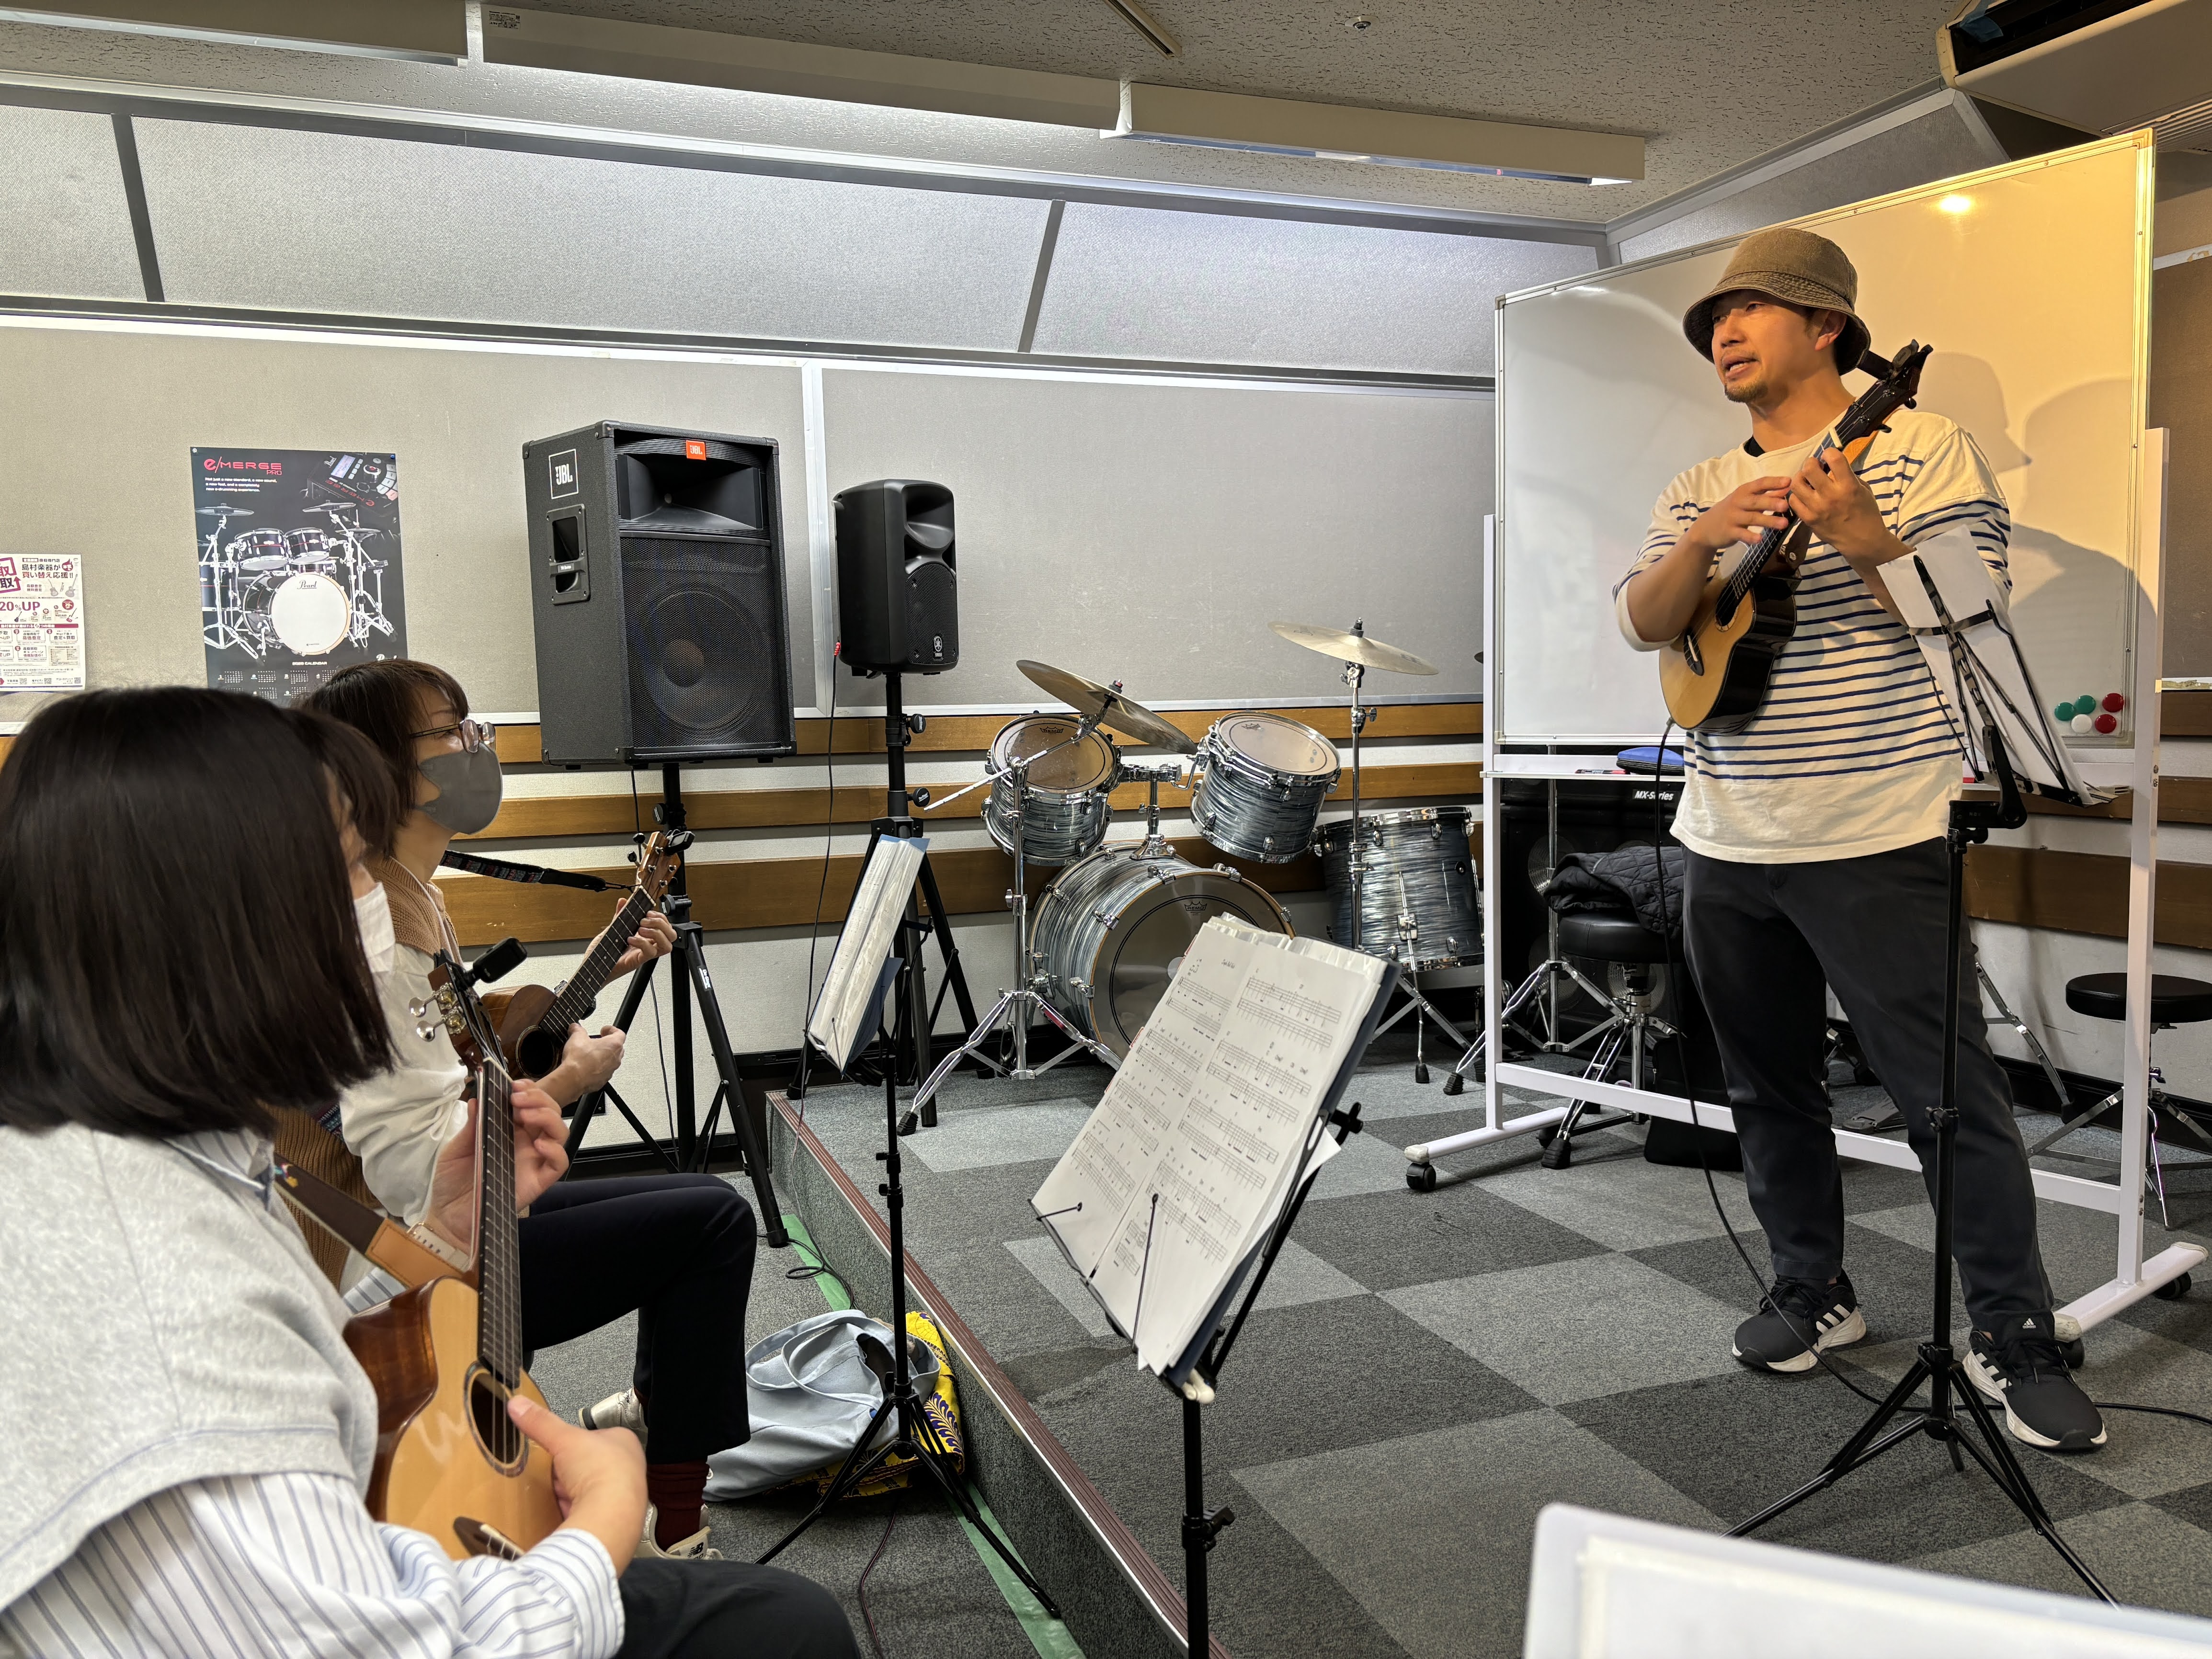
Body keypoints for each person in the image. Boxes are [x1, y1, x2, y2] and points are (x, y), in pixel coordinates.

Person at [0, 686, 857, 1658]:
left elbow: (301, 1352)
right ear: (226, 929)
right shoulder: (154, 1284)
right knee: (786, 1628)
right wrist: (605, 1519)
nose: (370, 900)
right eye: (348, 867)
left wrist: (445, 1232)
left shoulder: (143, 1156)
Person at [1615, 227, 2103, 1452]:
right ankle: (1811, 1286)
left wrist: (1864, 533)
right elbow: (1646, 625)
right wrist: (1701, 537)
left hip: (1878, 822)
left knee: (1946, 1095)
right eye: (1713, 321)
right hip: (1724, 828)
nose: (1723, 333)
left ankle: (2010, 1327)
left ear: (1825, 324)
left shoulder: (1921, 446)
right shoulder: (1696, 480)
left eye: (1750, 310)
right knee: (1763, 1083)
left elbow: (1970, 609)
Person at [307, 659, 758, 1553]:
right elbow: (412, 1170)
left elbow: (456, 1062)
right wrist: (564, 1085)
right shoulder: (375, 933)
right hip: (426, 1265)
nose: (477, 746)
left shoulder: (411, 894)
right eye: (452, 730)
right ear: (378, 767)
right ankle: (676, 1522)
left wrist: (590, 978)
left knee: (708, 1206)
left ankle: (654, 1428)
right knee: (712, 1223)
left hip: (463, 1218)